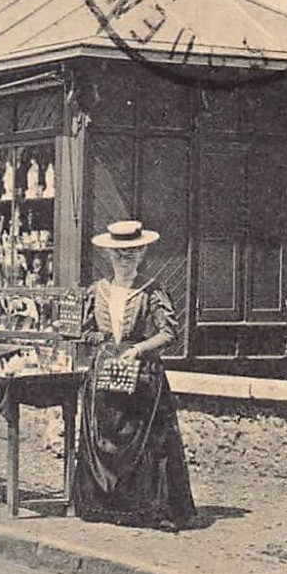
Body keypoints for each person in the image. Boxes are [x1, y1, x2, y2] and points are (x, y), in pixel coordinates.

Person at [73, 221, 196, 531]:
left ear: (141, 254)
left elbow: (169, 332)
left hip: (142, 376)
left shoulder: (152, 290)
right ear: (109, 255)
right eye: (119, 254)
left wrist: (139, 349)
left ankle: (146, 509)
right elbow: (85, 331)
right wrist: (100, 341)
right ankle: (101, 505)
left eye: (132, 253)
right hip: (104, 375)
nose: (125, 260)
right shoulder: (97, 291)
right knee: (102, 437)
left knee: (146, 442)